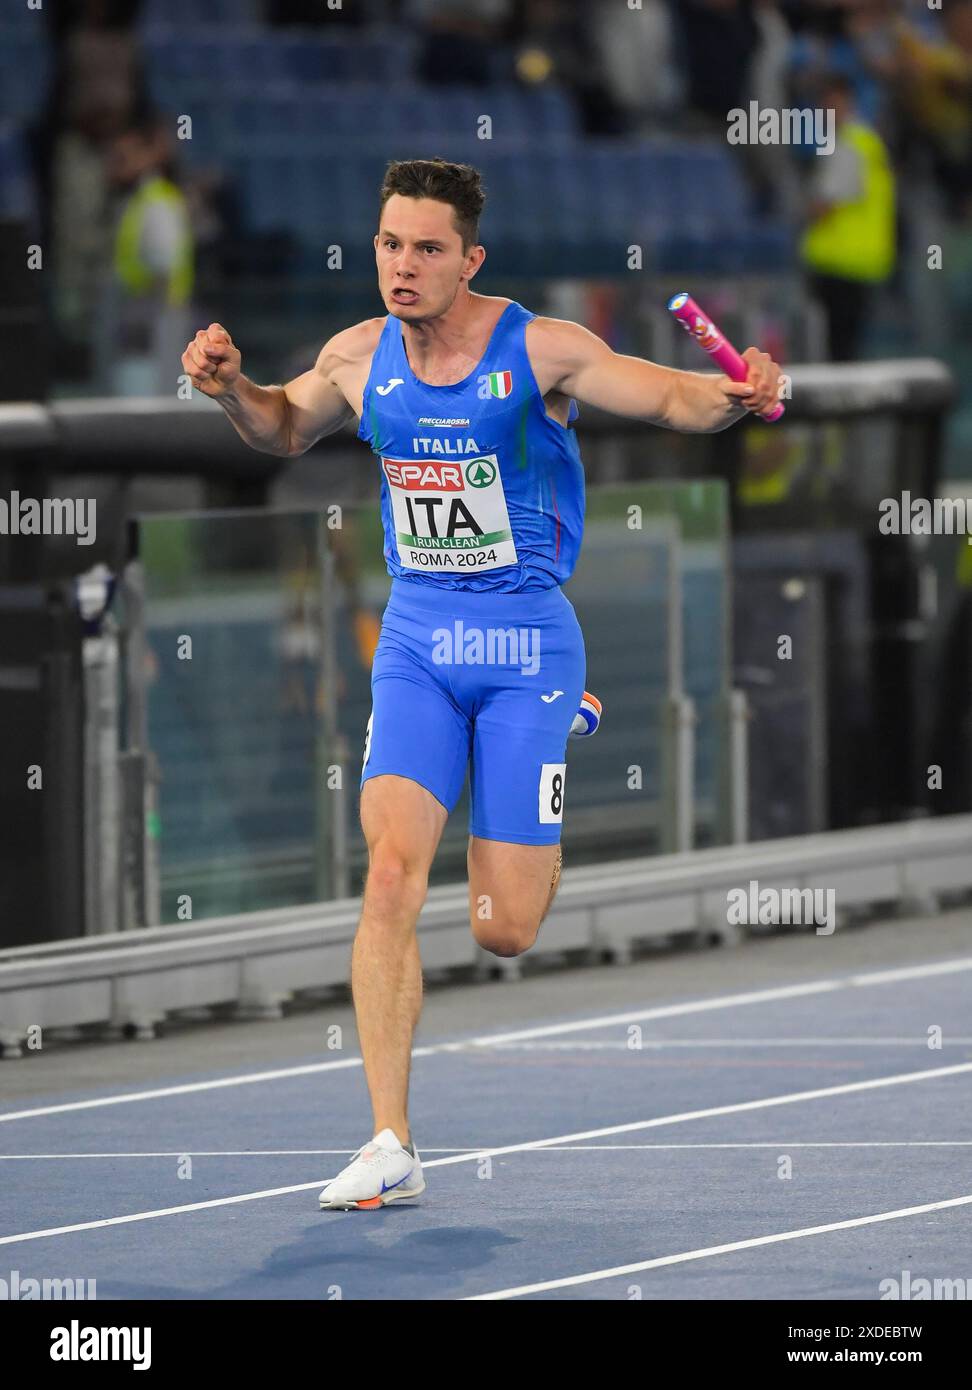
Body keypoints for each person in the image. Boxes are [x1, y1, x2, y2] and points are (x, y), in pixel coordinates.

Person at [181, 157, 780, 1210]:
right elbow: (279, 428)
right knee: (389, 878)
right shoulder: (359, 357)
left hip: (526, 648)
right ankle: (389, 1139)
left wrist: (741, 395)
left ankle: (556, 733)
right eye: (388, 245)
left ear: (470, 260)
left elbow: (674, 397)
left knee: (503, 924)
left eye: (425, 249)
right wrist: (233, 385)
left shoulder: (539, 348)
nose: (402, 267)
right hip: (416, 639)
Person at [799, 73, 896, 361]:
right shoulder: (868, 141)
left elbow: (824, 206)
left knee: (838, 350)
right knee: (849, 347)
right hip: (862, 260)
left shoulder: (848, 145)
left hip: (839, 262)